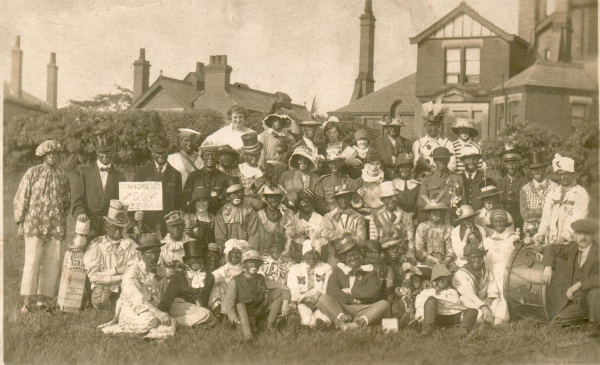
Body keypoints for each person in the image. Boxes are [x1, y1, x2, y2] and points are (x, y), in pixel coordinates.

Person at [14, 140, 71, 313]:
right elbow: (21, 197)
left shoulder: (62, 176)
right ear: (44, 155)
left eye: (55, 154)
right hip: (34, 224)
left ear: (58, 156)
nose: (52, 156)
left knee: (52, 261)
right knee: (32, 260)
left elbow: (67, 201)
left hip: (55, 226)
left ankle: (44, 300)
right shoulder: (33, 173)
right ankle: (27, 301)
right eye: (49, 154)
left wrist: (59, 218)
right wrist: (20, 223)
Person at [98, 233, 175, 338]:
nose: (154, 257)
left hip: (155, 308)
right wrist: (157, 312)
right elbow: (134, 297)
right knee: (151, 320)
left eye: (157, 252)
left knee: (171, 320)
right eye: (150, 253)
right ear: (142, 254)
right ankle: (119, 330)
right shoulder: (133, 271)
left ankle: (153, 333)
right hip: (132, 309)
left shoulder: (160, 269)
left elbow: (163, 292)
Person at [317, 237, 390, 331]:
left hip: (363, 307)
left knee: (384, 304)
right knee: (323, 299)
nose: (353, 258)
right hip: (343, 307)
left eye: (355, 255)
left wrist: (349, 290)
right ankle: (343, 320)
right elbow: (332, 291)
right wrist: (351, 300)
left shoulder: (369, 271)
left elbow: (372, 291)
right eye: (349, 256)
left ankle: (358, 323)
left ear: (360, 255)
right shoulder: (337, 271)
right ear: (344, 259)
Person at [544, 219, 599, 336]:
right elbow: (550, 248)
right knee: (554, 326)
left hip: (593, 301)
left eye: (587, 233)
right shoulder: (573, 248)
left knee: (595, 293)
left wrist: (579, 284)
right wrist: (548, 267)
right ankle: (582, 324)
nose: (582, 237)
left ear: (593, 235)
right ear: (574, 235)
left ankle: (593, 327)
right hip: (576, 302)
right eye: (579, 233)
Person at [71, 126, 126, 240]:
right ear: (96, 152)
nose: (105, 155)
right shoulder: (84, 173)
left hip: (111, 228)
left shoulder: (120, 176)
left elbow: (124, 204)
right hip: (89, 225)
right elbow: (77, 200)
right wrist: (81, 213)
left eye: (108, 152)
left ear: (112, 152)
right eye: (102, 152)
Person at [84, 200, 139, 310]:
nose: (118, 233)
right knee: (100, 300)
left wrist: (114, 273)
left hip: (124, 285)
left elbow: (135, 269)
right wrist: (118, 272)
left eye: (120, 229)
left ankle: (118, 300)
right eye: (114, 228)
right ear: (107, 227)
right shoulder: (97, 245)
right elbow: (94, 277)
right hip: (102, 285)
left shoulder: (130, 245)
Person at [223, 249, 292, 335]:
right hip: (245, 312)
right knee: (249, 332)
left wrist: (285, 301)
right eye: (251, 262)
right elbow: (229, 304)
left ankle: (270, 324)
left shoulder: (261, 278)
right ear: (244, 264)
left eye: (257, 263)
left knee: (278, 292)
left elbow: (283, 287)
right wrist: (234, 318)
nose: (254, 265)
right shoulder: (235, 281)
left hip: (259, 310)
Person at [157, 240, 217, 327]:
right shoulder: (178, 277)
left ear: (202, 261)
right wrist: (161, 313)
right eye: (192, 259)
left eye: (198, 259)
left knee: (209, 316)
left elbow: (209, 297)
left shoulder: (209, 277)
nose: (195, 262)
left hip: (197, 310)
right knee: (207, 314)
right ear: (186, 261)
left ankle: (182, 323)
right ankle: (174, 323)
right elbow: (167, 298)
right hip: (178, 307)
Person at [535, 154, 589, 245]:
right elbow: (545, 218)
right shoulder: (553, 193)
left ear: (572, 174)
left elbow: (579, 218)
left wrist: (565, 236)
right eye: (560, 174)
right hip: (552, 241)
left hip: (572, 242)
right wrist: (541, 234)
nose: (562, 178)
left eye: (565, 174)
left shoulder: (580, 193)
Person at [133, 138, 182, 238]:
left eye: (163, 152)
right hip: (146, 225)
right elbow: (133, 199)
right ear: (152, 153)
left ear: (168, 152)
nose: (160, 155)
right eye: (157, 152)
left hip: (168, 225)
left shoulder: (176, 174)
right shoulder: (141, 172)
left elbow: (178, 202)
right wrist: (135, 214)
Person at [453, 242, 510, 327]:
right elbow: (470, 294)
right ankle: (493, 322)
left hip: (485, 303)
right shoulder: (460, 274)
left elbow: (493, 289)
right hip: (472, 303)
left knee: (502, 302)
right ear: (466, 258)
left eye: (480, 256)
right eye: (473, 257)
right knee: (464, 300)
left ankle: (485, 322)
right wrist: (483, 307)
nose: (477, 260)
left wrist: (490, 299)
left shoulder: (487, 271)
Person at [416, 264, 478, 337]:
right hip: (436, 318)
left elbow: (455, 304)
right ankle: (427, 330)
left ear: (448, 279)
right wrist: (422, 319)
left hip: (452, 317)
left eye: (444, 278)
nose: (442, 280)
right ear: (435, 281)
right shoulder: (427, 292)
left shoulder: (452, 292)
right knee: (431, 300)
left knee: (473, 311)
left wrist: (438, 300)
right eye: (439, 278)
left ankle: (462, 331)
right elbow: (420, 306)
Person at [287, 240, 333, 329]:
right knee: (304, 312)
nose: (312, 257)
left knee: (322, 314)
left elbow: (328, 287)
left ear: (319, 255)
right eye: (309, 253)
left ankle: (321, 323)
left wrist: (319, 295)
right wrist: (302, 298)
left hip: (320, 300)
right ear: (304, 254)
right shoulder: (295, 268)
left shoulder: (326, 268)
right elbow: (293, 287)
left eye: (315, 253)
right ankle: (310, 324)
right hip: (302, 301)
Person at [321, 185, 367, 263]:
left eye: (346, 197)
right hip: (335, 250)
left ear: (350, 198)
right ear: (336, 199)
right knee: (334, 266)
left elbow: (362, 239)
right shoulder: (329, 216)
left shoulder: (358, 217)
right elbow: (327, 234)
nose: (343, 201)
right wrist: (345, 232)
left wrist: (349, 241)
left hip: (353, 249)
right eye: (340, 198)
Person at [371, 181, 415, 260]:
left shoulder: (406, 216)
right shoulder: (376, 217)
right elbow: (373, 240)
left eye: (393, 197)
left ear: (396, 198)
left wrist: (410, 252)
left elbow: (411, 239)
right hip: (383, 253)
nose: (390, 201)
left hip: (402, 253)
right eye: (387, 198)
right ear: (382, 200)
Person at [417, 147, 462, 223]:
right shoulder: (427, 179)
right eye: (438, 159)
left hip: (452, 220)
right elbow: (421, 206)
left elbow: (462, 202)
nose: (441, 161)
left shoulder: (457, 178)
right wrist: (423, 225)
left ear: (449, 160)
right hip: (433, 222)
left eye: (444, 159)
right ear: (434, 160)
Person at [214, 179, 262, 250]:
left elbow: (254, 237)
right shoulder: (221, 213)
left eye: (239, 193)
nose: (236, 196)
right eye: (233, 194)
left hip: (247, 250)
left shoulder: (250, 212)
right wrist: (228, 251)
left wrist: (248, 252)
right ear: (228, 197)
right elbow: (220, 238)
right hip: (227, 251)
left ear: (243, 194)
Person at [482, 210, 519, 298]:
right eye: (496, 221)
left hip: (508, 276)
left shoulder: (513, 238)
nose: (499, 224)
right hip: (491, 278)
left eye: (501, 221)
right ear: (492, 223)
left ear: (505, 222)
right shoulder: (486, 241)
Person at [520, 151, 558, 234]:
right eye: (533, 169)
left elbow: (556, 212)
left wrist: (533, 212)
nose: (536, 172)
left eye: (539, 169)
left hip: (550, 230)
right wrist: (546, 210)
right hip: (530, 231)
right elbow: (524, 215)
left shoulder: (555, 187)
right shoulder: (524, 189)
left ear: (544, 169)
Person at [183, 145, 228, 215]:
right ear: (202, 157)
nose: (210, 157)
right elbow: (187, 198)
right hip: (196, 216)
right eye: (207, 155)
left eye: (213, 155)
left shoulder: (223, 177)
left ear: (217, 157)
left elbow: (226, 201)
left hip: (217, 216)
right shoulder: (193, 176)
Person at [413, 97, 456, 171]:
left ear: (439, 125)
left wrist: (436, 171)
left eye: (436, 125)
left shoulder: (447, 143)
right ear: (425, 126)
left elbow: (452, 165)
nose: (433, 128)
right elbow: (415, 164)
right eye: (430, 125)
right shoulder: (418, 143)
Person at [209, 239, 247, 317]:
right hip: (225, 297)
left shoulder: (244, 269)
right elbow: (211, 278)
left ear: (241, 255)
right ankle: (218, 311)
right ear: (227, 255)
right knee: (218, 285)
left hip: (241, 295)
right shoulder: (224, 269)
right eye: (232, 253)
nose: (234, 256)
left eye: (237, 253)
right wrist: (222, 279)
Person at [415, 198, 456, 270]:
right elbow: (419, 248)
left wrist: (447, 260)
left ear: (442, 213)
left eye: (439, 212)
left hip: (444, 260)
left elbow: (450, 247)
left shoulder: (448, 228)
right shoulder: (422, 227)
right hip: (427, 259)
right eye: (433, 212)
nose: (436, 215)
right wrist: (432, 259)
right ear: (428, 214)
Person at [375, 101, 411, 180]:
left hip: (401, 177)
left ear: (399, 128)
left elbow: (410, 161)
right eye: (390, 127)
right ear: (386, 128)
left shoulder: (406, 142)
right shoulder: (378, 142)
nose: (392, 129)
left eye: (396, 127)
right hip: (383, 177)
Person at [497, 146, 529, 232]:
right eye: (508, 164)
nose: (511, 167)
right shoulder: (500, 183)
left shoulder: (526, 183)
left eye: (513, 164)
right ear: (504, 165)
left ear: (518, 164)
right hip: (503, 224)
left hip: (520, 223)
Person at [257, 185, 296, 254]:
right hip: (265, 250)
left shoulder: (288, 213)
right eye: (270, 197)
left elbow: (290, 236)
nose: (273, 200)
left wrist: (284, 252)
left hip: (283, 249)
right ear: (265, 198)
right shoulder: (260, 214)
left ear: (281, 198)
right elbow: (260, 237)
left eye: (276, 196)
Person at [314, 148, 355, 214]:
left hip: (347, 213)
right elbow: (319, 201)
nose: (334, 166)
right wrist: (332, 209)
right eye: (331, 163)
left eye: (336, 163)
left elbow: (353, 200)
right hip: (329, 214)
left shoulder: (349, 181)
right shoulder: (322, 182)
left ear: (341, 163)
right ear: (328, 165)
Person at [288, 190, 324, 263]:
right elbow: (290, 237)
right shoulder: (293, 218)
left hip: (315, 256)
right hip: (297, 255)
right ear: (299, 204)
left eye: (309, 201)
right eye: (303, 202)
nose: (306, 204)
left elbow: (324, 238)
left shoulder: (320, 218)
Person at [160, 210, 195, 277]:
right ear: (167, 228)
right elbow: (159, 267)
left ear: (184, 226)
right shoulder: (162, 246)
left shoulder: (192, 243)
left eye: (179, 226)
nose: (176, 229)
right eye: (172, 227)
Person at [239, 132, 267, 200]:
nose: (254, 158)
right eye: (251, 155)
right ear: (245, 155)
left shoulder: (263, 169)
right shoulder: (239, 170)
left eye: (257, 155)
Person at [393, 152, 421, 217]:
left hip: (413, 218)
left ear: (411, 168)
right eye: (401, 168)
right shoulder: (393, 184)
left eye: (407, 167)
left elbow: (418, 205)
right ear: (398, 169)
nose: (404, 170)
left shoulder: (418, 186)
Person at [459, 145, 486, 210]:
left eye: (474, 159)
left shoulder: (484, 178)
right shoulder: (458, 178)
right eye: (468, 159)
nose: (471, 162)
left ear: (478, 160)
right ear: (463, 161)